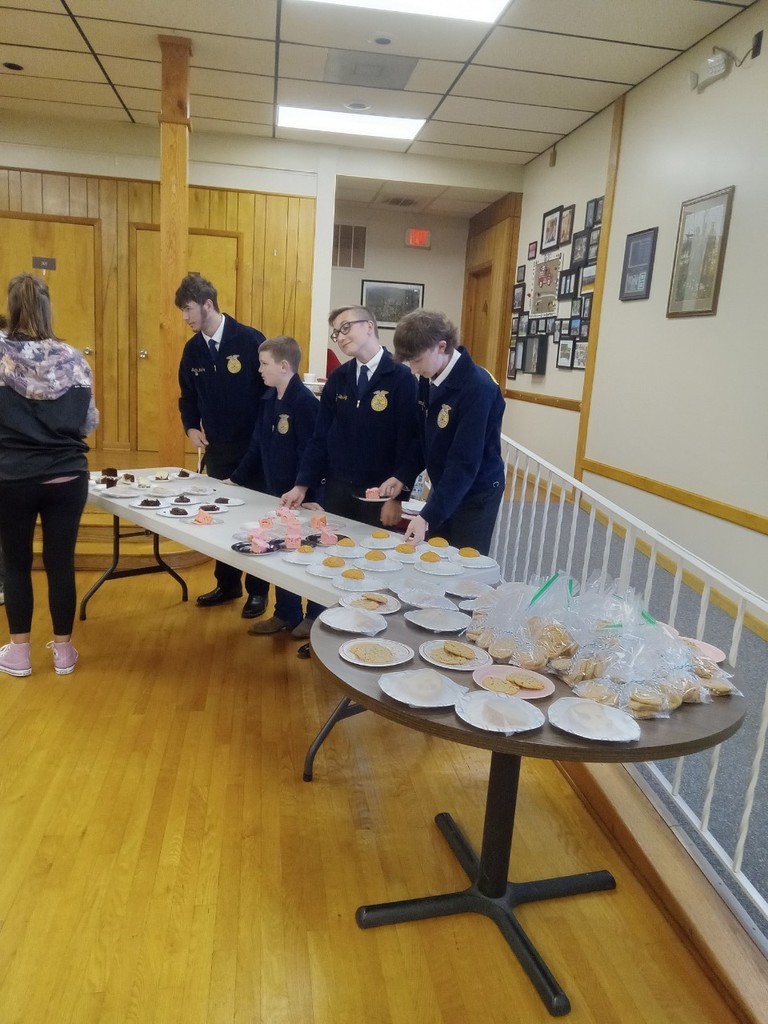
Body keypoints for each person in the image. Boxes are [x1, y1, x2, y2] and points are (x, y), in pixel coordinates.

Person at [0, 273, 98, 677]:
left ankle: (19, 655)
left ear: (10, 307)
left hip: (12, 477)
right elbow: (88, 422)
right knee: (61, 563)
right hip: (66, 477)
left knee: (16, 564)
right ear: (46, 307)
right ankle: (63, 653)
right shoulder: (74, 358)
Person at [175, 273, 270, 618]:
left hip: (254, 449)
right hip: (218, 450)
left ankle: (257, 592)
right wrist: (190, 427)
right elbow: (187, 397)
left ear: (208, 305)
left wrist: (262, 442)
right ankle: (227, 583)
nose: (185, 317)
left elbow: (268, 398)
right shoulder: (193, 349)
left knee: (256, 522)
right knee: (220, 519)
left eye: (188, 309)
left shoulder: (249, 341)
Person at [281, 306, 419, 528]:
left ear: (369, 326)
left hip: (380, 492)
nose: (340, 337)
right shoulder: (338, 378)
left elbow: (410, 440)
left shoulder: (401, 377)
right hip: (338, 489)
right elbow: (320, 437)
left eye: (346, 328)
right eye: (336, 333)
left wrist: (398, 497)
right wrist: (302, 485)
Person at [227, 336, 324, 640]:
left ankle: (314, 616)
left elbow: (314, 451)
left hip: (302, 497)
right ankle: (285, 613)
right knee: (280, 555)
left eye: (264, 363)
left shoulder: (305, 403)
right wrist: (235, 479)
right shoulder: (268, 400)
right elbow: (257, 446)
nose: (259, 369)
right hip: (275, 493)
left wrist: (305, 490)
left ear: (284, 366)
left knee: (303, 555)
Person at [392, 309, 505, 555]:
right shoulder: (428, 376)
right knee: (434, 557)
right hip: (445, 487)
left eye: (417, 360)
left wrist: (428, 516)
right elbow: (424, 440)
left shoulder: (478, 388)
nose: (412, 369)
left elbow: (464, 463)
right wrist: (403, 476)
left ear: (441, 346)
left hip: (476, 491)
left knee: (464, 564)